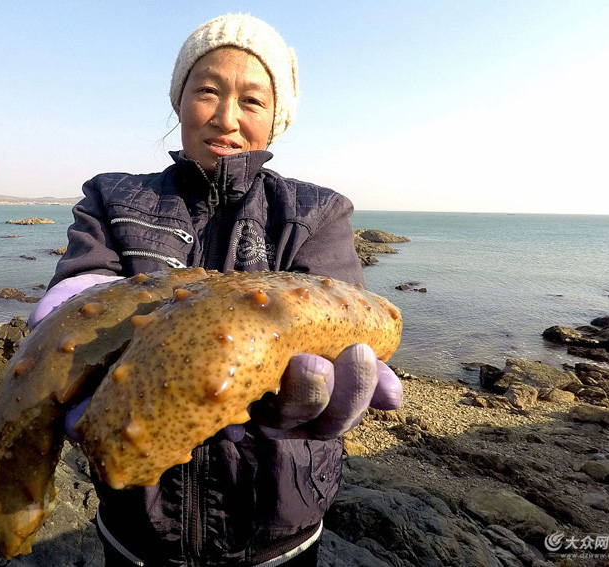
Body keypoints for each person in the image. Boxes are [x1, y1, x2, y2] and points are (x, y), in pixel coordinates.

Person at [29, 13, 403, 567]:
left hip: (277, 525)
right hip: (138, 528)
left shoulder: (315, 213)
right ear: (179, 101)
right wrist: (73, 303)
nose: (226, 118)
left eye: (252, 101)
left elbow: (342, 308)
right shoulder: (111, 198)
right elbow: (85, 283)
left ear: (276, 118)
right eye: (207, 91)